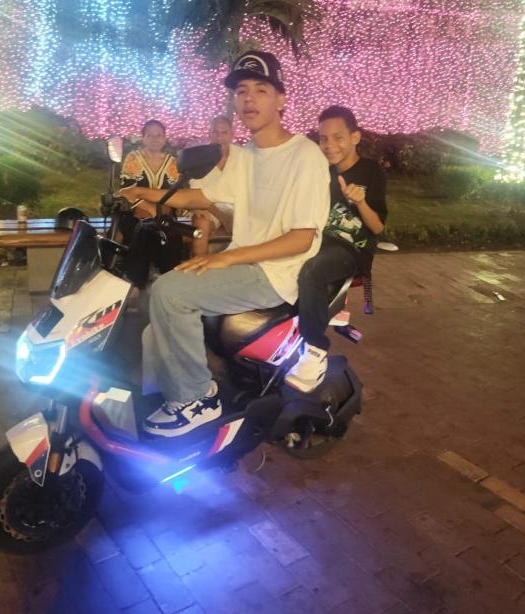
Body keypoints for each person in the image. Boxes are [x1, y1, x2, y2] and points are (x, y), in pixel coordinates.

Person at [118, 50, 330, 437]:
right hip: (246, 264)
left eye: (261, 90)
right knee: (165, 287)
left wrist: (227, 259)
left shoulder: (305, 156)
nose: (249, 99)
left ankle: (196, 399)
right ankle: (173, 388)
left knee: (170, 293)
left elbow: (302, 238)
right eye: (242, 91)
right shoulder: (245, 157)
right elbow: (201, 196)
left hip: (275, 274)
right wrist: (143, 193)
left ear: (281, 100)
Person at [285, 105, 388, 393]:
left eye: (338, 137)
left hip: (351, 249)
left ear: (355, 137)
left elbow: (377, 227)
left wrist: (360, 202)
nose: (329, 145)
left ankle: (315, 350)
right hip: (318, 241)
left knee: (313, 271)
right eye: (323, 138)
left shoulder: (371, 171)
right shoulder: (321, 171)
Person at [119, 120, 182, 286]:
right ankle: (137, 282)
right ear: (143, 138)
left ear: (165, 138)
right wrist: (151, 210)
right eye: (150, 135)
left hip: (165, 216)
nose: (155, 139)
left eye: (159, 135)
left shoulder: (173, 162)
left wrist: (160, 213)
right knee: (142, 230)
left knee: (169, 232)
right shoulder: (133, 158)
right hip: (138, 214)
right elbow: (127, 192)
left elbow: (177, 194)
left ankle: (168, 280)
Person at [190, 115, 238, 257]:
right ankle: (199, 266)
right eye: (215, 132)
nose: (219, 137)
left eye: (224, 132)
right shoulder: (199, 158)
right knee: (201, 223)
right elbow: (197, 195)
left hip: (238, 208)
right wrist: (223, 217)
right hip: (210, 208)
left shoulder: (243, 157)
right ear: (209, 134)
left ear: (232, 134)